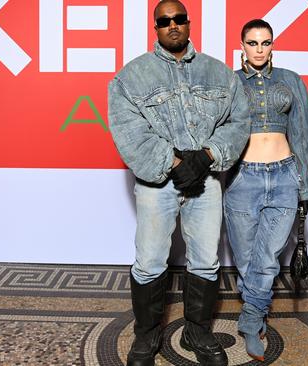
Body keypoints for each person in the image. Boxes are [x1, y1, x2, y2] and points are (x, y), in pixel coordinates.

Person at [108, 1, 251, 365]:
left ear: (189, 23)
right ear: (155, 28)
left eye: (179, 19)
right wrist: (174, 162)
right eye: (164, 21)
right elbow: (129, 132)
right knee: (150, 261)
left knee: (205, 260)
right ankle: (147, 336)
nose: (173, 25)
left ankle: (197, 332)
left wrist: (206, 157)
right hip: (157, 186)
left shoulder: (220, 74)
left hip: (206, 181)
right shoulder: (131, 77)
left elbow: (238, 123)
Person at [223, 19, 308, 362]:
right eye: (252, 43)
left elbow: (302, 134)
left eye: (265, 43)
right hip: (242, 179)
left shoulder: (290, 80)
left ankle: (249, 321)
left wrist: (304, 183)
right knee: (247, 259)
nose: (259, 49)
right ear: (242, 46)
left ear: (272, 45)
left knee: (266, 259)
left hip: (283, 177)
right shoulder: (230, 82)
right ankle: (257, 309)